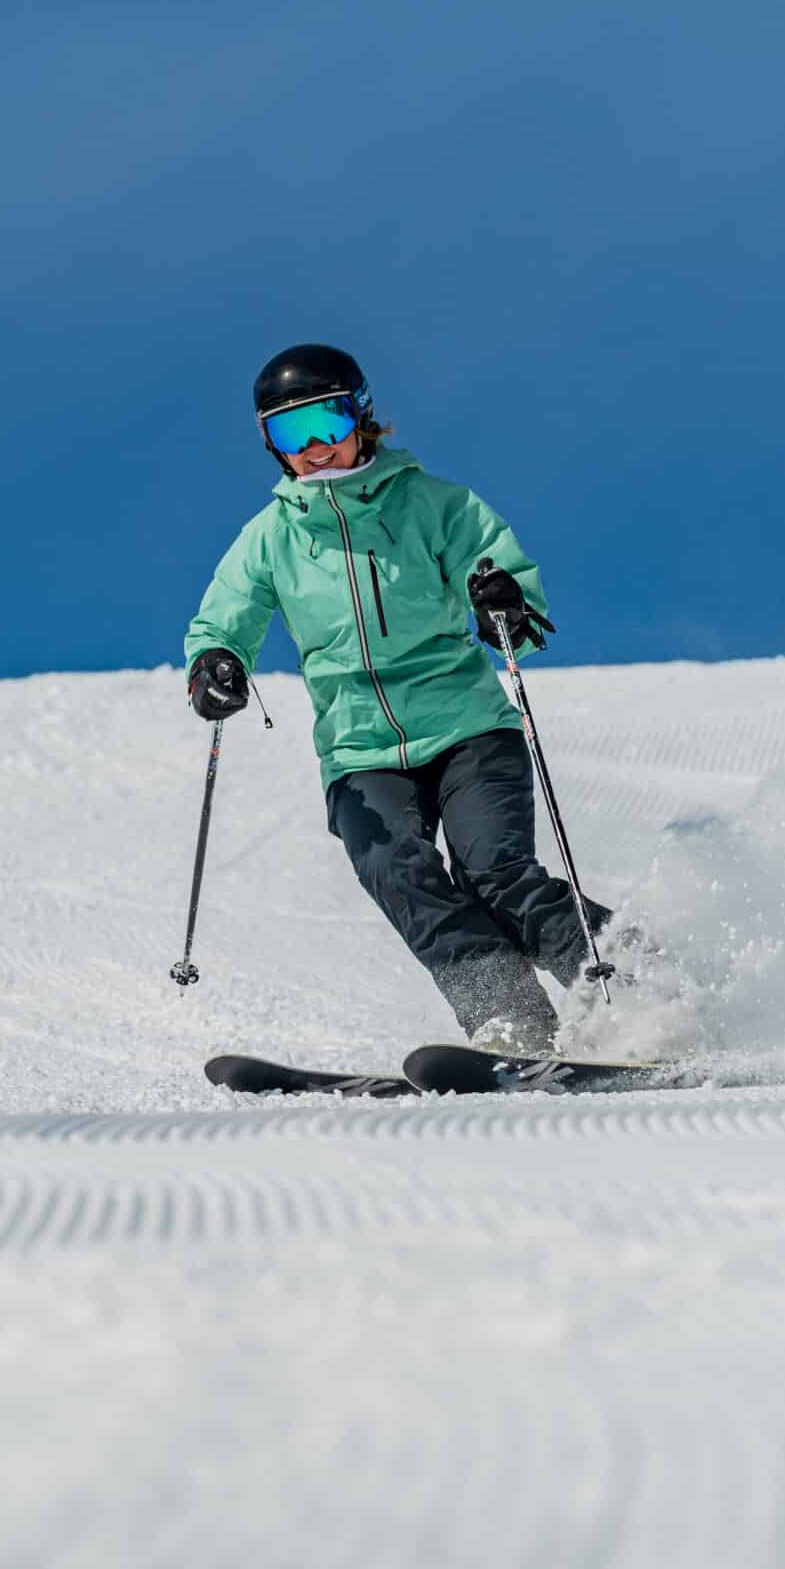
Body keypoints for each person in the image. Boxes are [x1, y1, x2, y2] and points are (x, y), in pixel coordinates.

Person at [182, 343, 613, 1055]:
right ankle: (510, 1018)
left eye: (328, 421)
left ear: (363, 417)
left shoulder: (433, 504)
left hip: (467, 727)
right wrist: (217, 664)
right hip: (359, 750)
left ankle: (634, 983)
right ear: (272, 446)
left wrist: (499, 603)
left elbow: (505, 581)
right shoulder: (268, 541)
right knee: (396, 873)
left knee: (497, 874)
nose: (317, 447)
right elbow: (223, 618)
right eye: (294, 433)